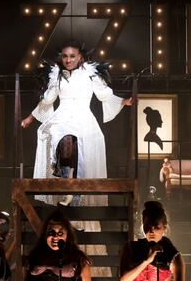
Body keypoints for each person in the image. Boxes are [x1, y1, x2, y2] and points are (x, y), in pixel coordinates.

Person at [21, 39, 133, 206]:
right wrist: (30, 117)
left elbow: (104, 94)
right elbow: (47, 100)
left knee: (84, 148)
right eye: (65, 56)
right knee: (63, 137)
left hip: (83, 117)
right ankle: (66, 185)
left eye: (72, 56)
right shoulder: (57, 75)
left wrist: (124, 102)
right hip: (62, 117)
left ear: (80, 57)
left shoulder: (90, 73)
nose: (68, 60)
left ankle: (77, 191)